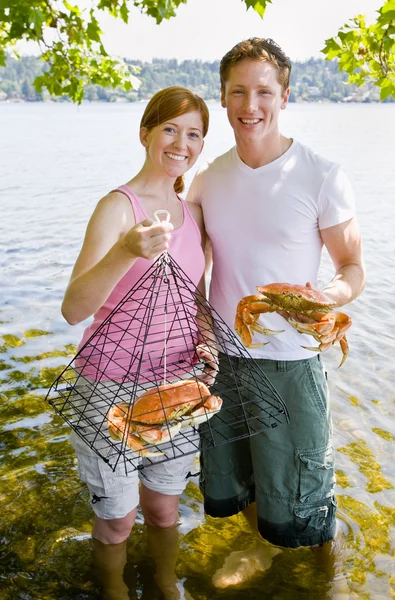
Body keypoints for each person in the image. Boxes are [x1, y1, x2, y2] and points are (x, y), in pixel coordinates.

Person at [187, 38, 366, 588]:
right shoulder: (208, 179)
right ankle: (259, 547)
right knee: (237, 475)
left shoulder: (321, 174)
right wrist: (197, 329)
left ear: (285, 96)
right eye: (238, 91)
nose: (251, 104)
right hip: (224, 356)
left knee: (307, 486)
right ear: (222, 98)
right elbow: (195, 270)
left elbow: (352, 268)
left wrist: (327, 299)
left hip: (291, 361)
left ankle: (325, 581)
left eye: (264, 91)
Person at [61, 86, 211, 599]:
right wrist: (126, 250)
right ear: (145, 132)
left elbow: (196, 295)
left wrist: (207, 342)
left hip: (178, 387)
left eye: (194, 134)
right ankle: (115, 592)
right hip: (108, 387)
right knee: (118, 523)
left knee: (166, 511)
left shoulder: (193, 214)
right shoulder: (117, 207)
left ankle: (167, 586)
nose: (181, 142)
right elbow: (73, 308)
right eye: (170, 128)